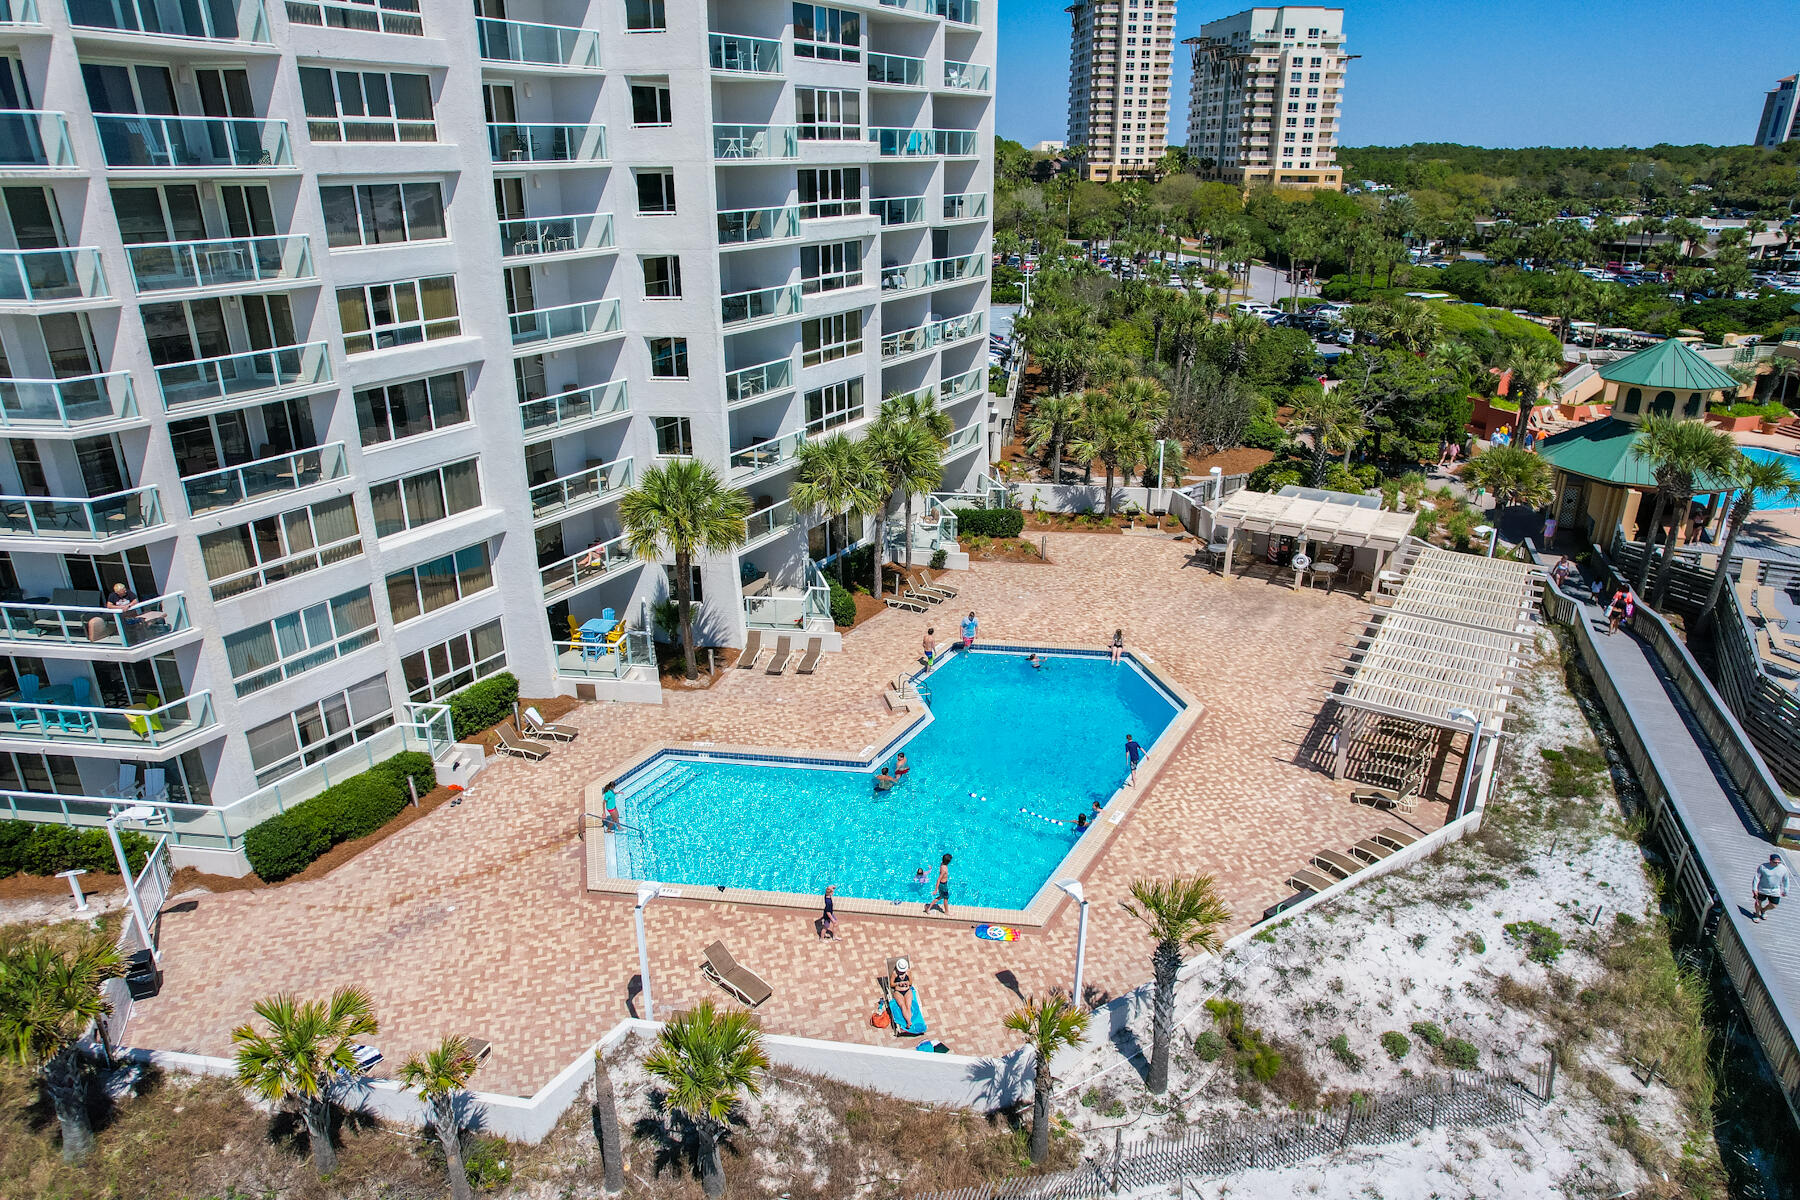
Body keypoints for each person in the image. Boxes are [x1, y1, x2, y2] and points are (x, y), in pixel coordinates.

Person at [1752, 853, 1790, 921]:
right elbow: (1756, 878)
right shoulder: (1763, 867)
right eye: (1775, 862)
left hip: (1775, 890)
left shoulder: (1783, 869)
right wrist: (1754, 889)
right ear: (1770, 861)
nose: (1777, 864)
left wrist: (1786, 890)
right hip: (1762, 889)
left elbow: (1786, 880)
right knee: (1758, 902)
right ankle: (1757, 915)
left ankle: (1763, 910)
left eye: (1779, 862)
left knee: (1774, 905)